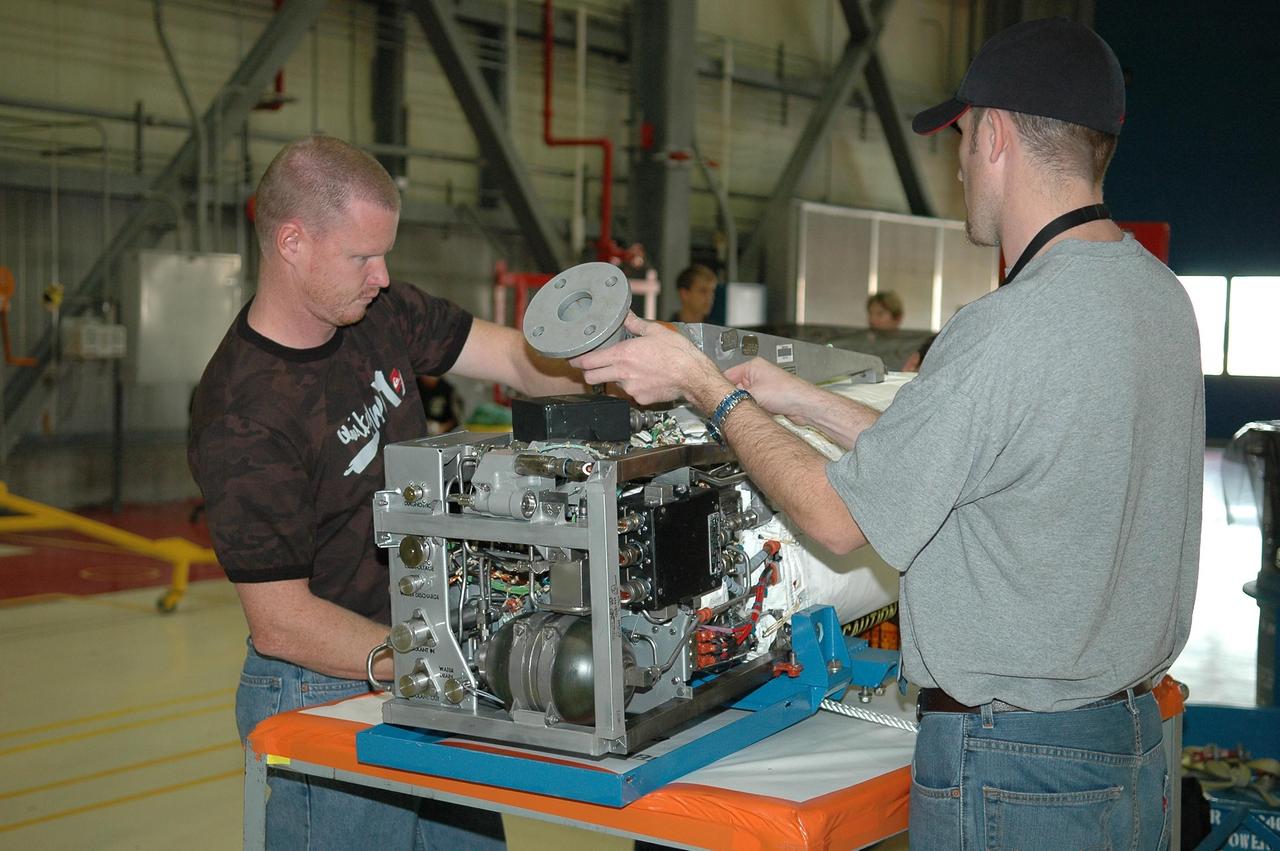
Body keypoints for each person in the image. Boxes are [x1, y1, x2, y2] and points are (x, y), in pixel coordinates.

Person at [570, 17, 1202, 849]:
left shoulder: (1007, 326)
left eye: (964, 137)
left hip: (1017, 767)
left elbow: (838, 520)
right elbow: (973, 457)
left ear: (999, 135)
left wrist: (708, 390)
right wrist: (794, 400)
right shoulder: (1159, 300)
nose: (962, 162)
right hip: (1127, 749)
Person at [188, 135, 584, 849]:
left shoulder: (379, 313)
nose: (383, 273)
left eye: (385, 254)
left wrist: (621, 365)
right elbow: (282, 620)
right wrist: (449, 660)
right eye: (362, 257)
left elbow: (511, 359)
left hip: (419, 656)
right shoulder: (242, 413)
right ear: (292, 242)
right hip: (325, 682)